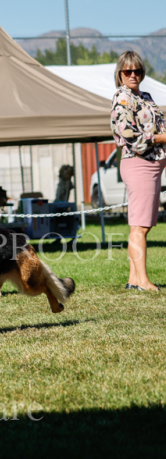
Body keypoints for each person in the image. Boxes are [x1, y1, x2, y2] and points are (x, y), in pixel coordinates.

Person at [110, 51, 166, 292]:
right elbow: (129, 135)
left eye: (138, 71)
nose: (133, 75)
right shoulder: (122, 98)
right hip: (139, 163)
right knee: (140, 225)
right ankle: (143, 281)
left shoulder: (144, 97)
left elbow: (158, 125)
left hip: (152, 165)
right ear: (120, 73)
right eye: (128, 71)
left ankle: (134, 279)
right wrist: (161, 138)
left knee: (144, 225)